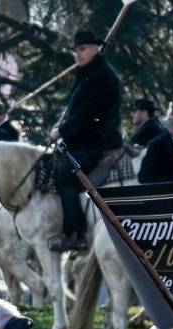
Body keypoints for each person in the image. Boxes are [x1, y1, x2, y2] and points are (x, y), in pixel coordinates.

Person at [50, 28, 122, 253]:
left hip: (97, 143)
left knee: (65, 177)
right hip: (88, 140)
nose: (77, 54)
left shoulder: (99, 75)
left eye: (82, 49)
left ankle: (77, 234)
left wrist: (61, 131)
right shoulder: (91, 72)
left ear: (96, 48)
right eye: (75, 51)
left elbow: (88, 115)